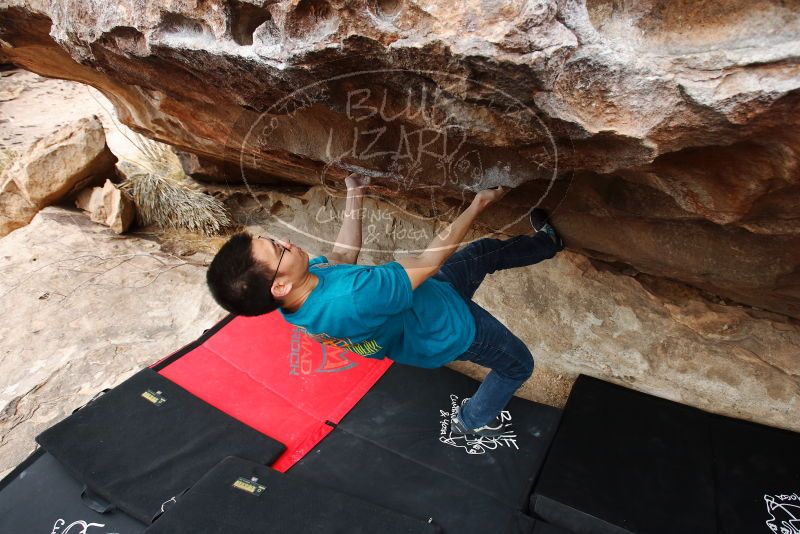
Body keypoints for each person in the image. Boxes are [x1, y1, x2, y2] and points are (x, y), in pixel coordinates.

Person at [206, 173, 564, 437]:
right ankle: (471, 420)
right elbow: (430, 260)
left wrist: (354, 195)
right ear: (279, 284)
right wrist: (479, 204)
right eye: (278, 249)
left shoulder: (295, 301)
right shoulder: (354, 296)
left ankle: (547, 243)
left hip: (425, 298)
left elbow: (342, 256)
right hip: (450, 326)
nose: (285, 241)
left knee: (484, 252)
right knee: (518, 365)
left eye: (273, 239)